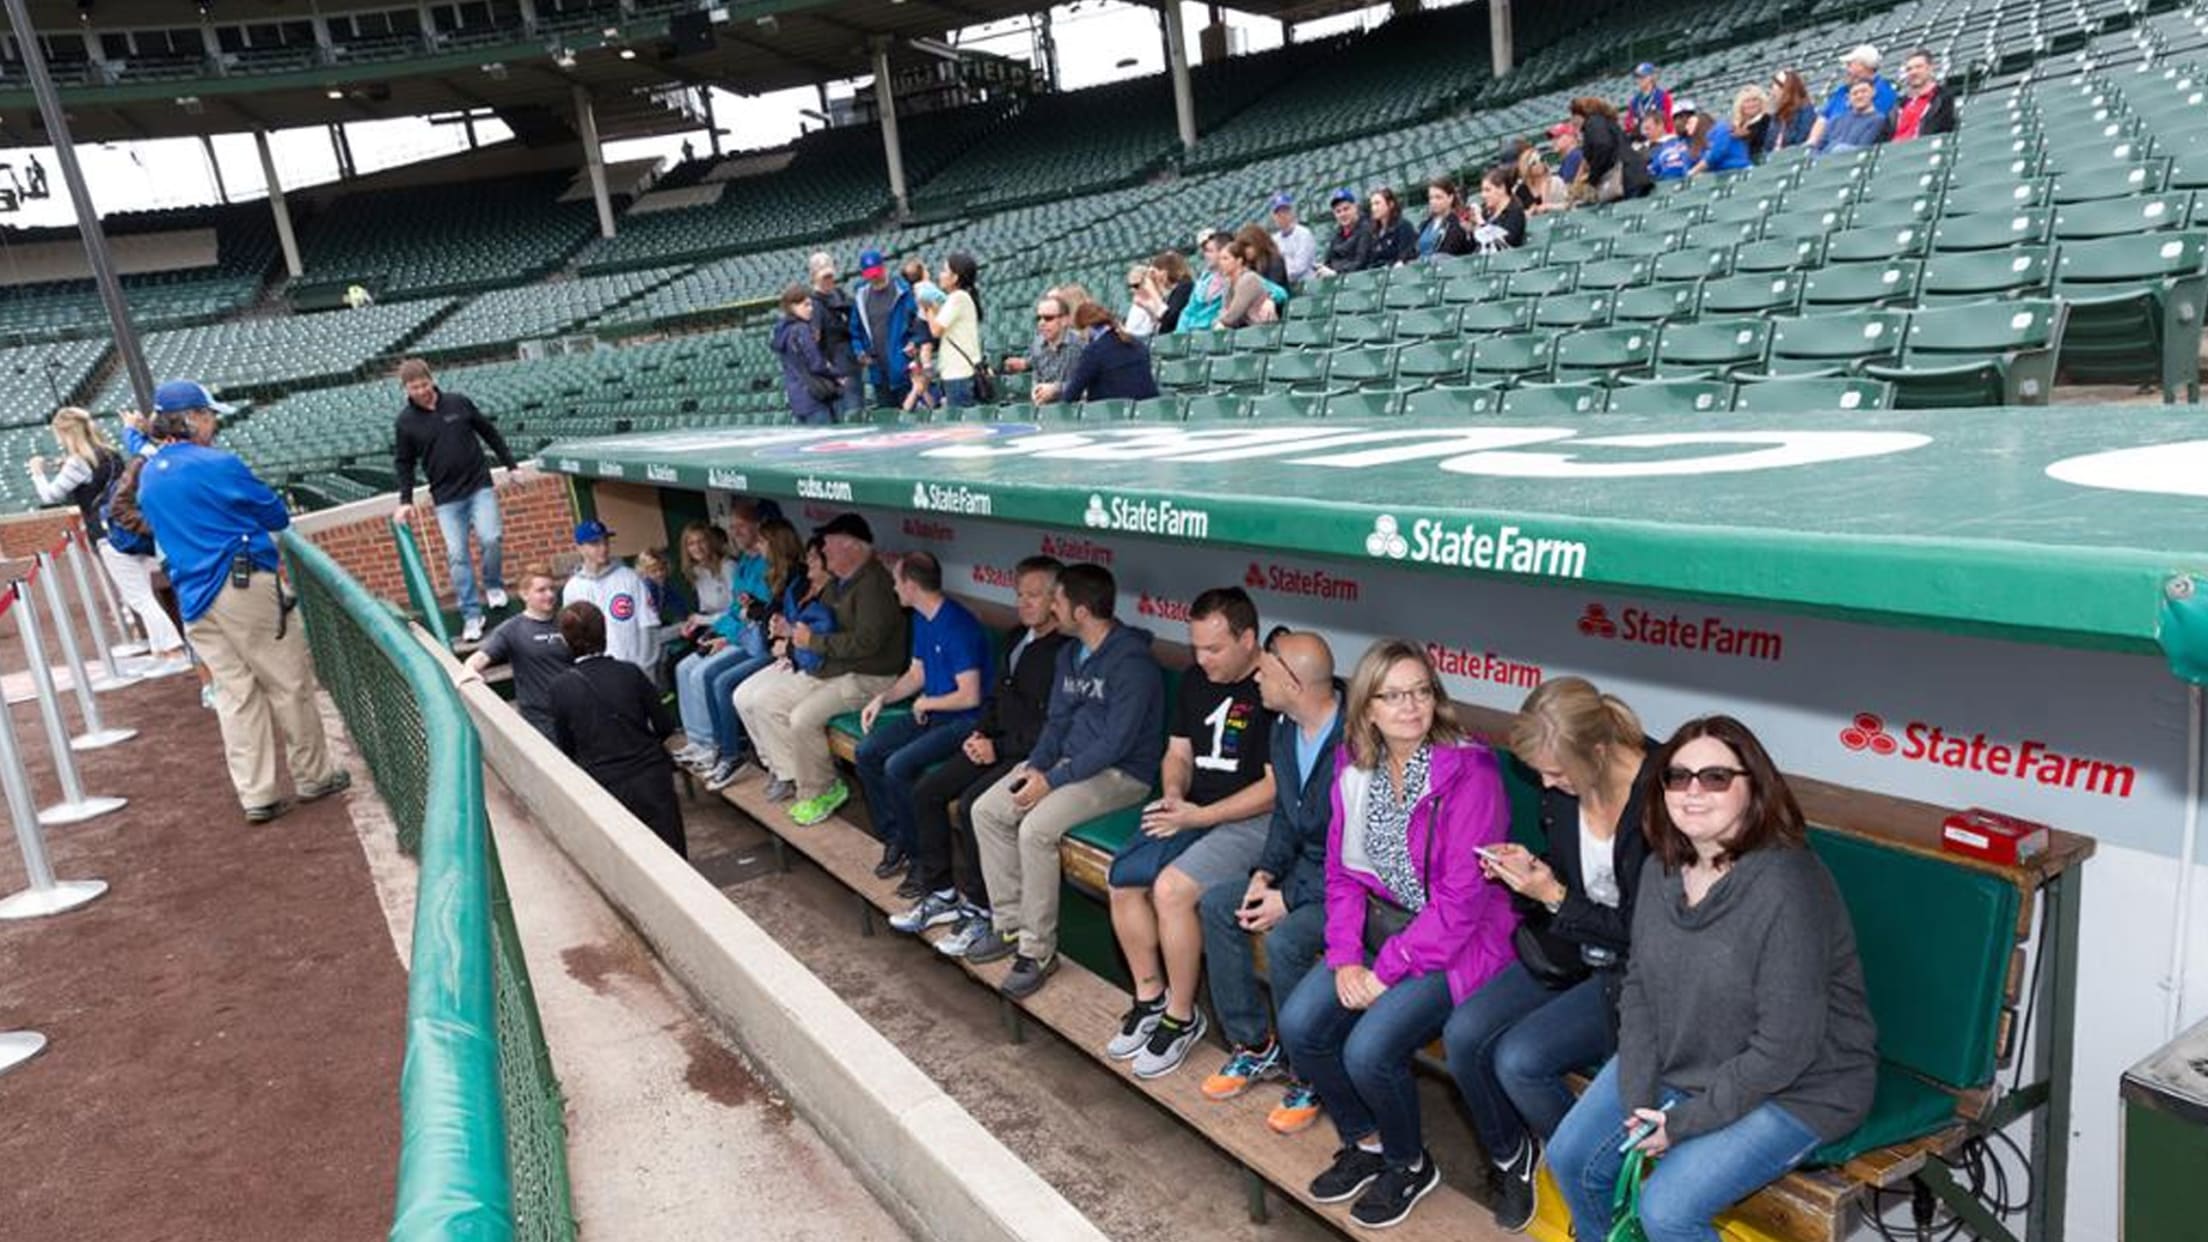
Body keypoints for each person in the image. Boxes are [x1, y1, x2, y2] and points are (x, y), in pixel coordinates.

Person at [1547, 716, 1878, 1242]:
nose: (1692, 791)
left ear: (1755, 787)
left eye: (1716, 777)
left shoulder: (1786, 884)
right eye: (1677, 777)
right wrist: (1638, 1100)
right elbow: (1639, 991)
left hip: (1801, 1085)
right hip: (1692, 1061)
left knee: (1668, 1211)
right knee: (1569, 1158)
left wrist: (1679, 1125)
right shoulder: (1662, 867)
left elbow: (1786, 1048)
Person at [1278, 638, 1516, 1230]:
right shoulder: (1355, 764)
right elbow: (1341, 874)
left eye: (1421, 691)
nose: (1410, 706)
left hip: (1454, 941)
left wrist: (1383, 972)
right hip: (1379, 928)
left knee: (1369, 1049)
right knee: (1302, 1027)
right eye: (1392, 695)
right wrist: (1342, 958)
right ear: (1367, 708)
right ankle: (1370, 1143)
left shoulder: (1471, 771)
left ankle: (1411, 1164)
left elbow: (1461, 905)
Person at [1444, 677, 1652, 1232]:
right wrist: (1531, 870)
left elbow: (1654, 934)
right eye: (1540, 772)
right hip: (1572, 950)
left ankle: (1591, 1178)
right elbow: (1574, 875)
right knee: (1465, 1033)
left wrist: (1554, 896)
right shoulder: (1563, 789)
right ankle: (1519, 1160)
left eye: (1557, 772)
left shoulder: (1664, 801)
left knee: (1519, 1060)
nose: (1548, 783)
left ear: (1601, 750)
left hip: (1638, 978)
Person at [133, 380, 350, 824]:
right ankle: (313, 776)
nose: (214, 422)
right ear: (190, 418)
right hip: (242, 583)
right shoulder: (217, 463)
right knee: (287, 681)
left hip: (193, 596)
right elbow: (276, 514)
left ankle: (257, 794)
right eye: (208, 415)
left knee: (234, 695)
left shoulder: (150, 472)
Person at [1103, 587, 1276, 1079]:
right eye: (1195, 646)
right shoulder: (1197, 680)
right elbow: (1178, 752)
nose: (1202, 659)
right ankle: (1150, 998)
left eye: (1214, 648)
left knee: (1172, 889)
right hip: (1194, 810)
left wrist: (1197, 818)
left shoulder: (1274, 685)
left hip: (1251, 821)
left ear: (1248, 639)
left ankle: (1183, 1016)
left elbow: (1274, 790)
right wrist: (1175, 794)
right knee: (1123, 877)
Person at [971, 564, 1163, 1000]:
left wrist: (1052, 780)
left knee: (1036, 829)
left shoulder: (1133, 663)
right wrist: (1037, 768)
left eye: (1056, 600)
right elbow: (1056, 723)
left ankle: (1037, 951)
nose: (1051, 606)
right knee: (988, 810)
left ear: (1081, 610)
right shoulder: (1068, 654)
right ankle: (1010, 925)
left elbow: (1116, 743)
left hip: (1122, 775)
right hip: (1066, 765)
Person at [1197, 627, 1343, 1135]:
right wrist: (1265, 872)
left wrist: (1289, 897)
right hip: (1300, 869)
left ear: (1296, 680)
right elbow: (1285, 812)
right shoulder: (1284, 727)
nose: (1257, 675)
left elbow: (1356, 854)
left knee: (1285, 941)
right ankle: (1256, 1045)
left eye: (1267, 668)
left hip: (1349, 888)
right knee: (1219, 905)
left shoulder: (1356, 741)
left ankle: (1310, 1073)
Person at [892, 556, 1070, 951]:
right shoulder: (1014, 638)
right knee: (927, 791)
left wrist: (998, 747)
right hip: (994, 743)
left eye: (1035, 595)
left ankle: (982, 908)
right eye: (1020, 594)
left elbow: (1051, 727)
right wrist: (979, 733)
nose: (1025, 603)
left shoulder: (1064, 652)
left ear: (1058, 599)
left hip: (1029, 755)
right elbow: (994, 699)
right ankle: (941, 894)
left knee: (975, 806)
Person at [733, 512, 907, 826]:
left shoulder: (873, 585)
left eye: (827, 545)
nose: (823, 552)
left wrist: (812, 641)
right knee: (768, 701)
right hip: (837, 669)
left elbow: (866, 644)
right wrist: (792, 632)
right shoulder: (842, 583)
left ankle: (823, 789)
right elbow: (820, 624)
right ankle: (795, 777)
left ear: (850, 546)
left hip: (870, 677)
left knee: (802, 717)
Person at [854, 551, 991, 878]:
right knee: (867, 752)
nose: (894, 588)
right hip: (934, 713)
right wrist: (882, 699)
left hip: (966, 721)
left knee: (897, 766)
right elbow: (917, 674)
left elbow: (969, 695)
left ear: (912, 585)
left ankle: (919, 859)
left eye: (897, 581)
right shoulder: (920, 616)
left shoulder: (957, 624)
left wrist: (927, 704)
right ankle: (895, 838)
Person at [27, 406, 188, 673]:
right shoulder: (110, 453)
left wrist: (37, 472)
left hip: (107, 534)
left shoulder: (78, 461)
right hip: (125, 528)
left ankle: (173, 650)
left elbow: (50, 495)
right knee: (139, 594)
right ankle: (162, 650)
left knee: (139, 598)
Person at [390, 357, 519, 645]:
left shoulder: (458, 403)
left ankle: (494, 585)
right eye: (414, 388)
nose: (421, 391)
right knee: (457, 554)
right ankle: (472, 615)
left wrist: (510, 465)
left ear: (431, 379)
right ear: (406, 389)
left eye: (424, 384)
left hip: (478, 486)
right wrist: (405, 500)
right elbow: (404, 463)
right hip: (446, 498)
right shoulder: (405, 422)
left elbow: (489, 432)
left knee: (491, 538)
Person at [546, 601, 687, 858]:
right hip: (650, 775)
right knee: (673, 855)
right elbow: (665, 725)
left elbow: (567, 746)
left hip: (605, 784)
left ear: (566, 640)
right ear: (604, 632)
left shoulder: (560, 688)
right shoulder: (630, 673)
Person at [694, 517, 805, 791]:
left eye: (764, 541)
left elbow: (778, 616)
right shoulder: (772, 571)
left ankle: (737, 756)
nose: (759, 545)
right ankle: (751, 758)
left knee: (725, 684)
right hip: (769, 645)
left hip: (781, 651)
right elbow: (763, 610)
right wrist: (749, 611)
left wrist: (755, 612)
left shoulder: (795, 575)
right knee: (714, 678)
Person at [462, 565, 573, 740]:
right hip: (541, 720)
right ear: (524, 594)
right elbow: (479, 658)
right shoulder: (511, 630)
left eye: (552, 588)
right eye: (541, 590)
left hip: (575, 712)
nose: (550, 595)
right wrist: (470, 669)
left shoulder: (567, 622)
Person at [560, 519, 658, 671]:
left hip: (633, 667)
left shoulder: (630, 578)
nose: (603, 547)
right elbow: (573, 637)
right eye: (595, 543)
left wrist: (646, 666)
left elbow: (648, 624)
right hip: (596, 673)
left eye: (605, 541)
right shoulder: (573, 588)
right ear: (579, 548)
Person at [850, 248, 917, 409]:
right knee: (887, 422)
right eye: (870, 274)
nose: (874, 277)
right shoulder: (861, 296)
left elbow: (917, 324)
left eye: (876, 272)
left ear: (884, 267)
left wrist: (914, 342)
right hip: (878, 371)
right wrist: (859, 351)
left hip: (903, 368)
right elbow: (855, 330)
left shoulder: (902, 291)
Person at [771, 283, 845, 426]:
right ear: (792, 307)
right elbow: (817, 364)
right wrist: (837, 375)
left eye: (811, 305)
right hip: (815, 397)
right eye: (806, 305)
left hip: (797, 398)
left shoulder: (781, 331)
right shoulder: (802, 329)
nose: (811, 309)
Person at [1059, 303, 1161, 403]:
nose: (1080, 336)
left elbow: (1071, 395)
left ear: (1087, 328)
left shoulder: (1094, 352)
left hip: (1111, 415)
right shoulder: (1137, 344)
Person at [1807, 44, 1898, 151]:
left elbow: (1870, 126)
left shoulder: (1884, 92)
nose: (1846, 69)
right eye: (1855, 93)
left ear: (1863, 66)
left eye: (1850, 64)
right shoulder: (1841, 91)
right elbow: (1823, 118)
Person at [1002, 293, 1084, 405]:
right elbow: (1036, 378)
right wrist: (1037, 391)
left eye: (1048, 318)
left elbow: (1086, 386)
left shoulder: (1080, 345)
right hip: (1045, 411)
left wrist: (1056, 389)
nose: (1041, 323)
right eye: (1038, 318)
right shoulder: (1037, 344)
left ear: (1065, 320)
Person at [928, 253, 985, 408]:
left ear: (955, 278)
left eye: (944, 271)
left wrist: (926, 307)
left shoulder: (958, 297)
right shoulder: (959, 298)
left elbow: (936, 330)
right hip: (957, 374)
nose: (940, 274)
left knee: (963, 427)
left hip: (958, 374)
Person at [811, 257, 865, 420]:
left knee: (857, 411)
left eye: (830, 276)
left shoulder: (840, 294)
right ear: (814, 275)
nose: (829, 280)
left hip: (850, 361)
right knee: (847, 413)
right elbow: (814, 339)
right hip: (834, 365)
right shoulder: (814, 303)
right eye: (824, 277)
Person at [1691, 87, 1769, 176]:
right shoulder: (1736, 125)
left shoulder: (1766, 119)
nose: (1751, 104)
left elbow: (1765, 138)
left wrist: (1748, 134)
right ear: (1741, 105)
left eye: (1755, 100)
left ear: (1761, 102)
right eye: (1747, 101)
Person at [1885, 47, 1956, 142]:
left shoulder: (1942, 99)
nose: (1913, 72)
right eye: (1909, 69)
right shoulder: (1898, 105)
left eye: (1918, 67)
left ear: (1930, 68)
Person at [1570, 98, 1632, 203]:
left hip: (1620, 176)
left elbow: (1603, 147)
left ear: (1581, 115)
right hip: (1628, 172)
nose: (1572, 121)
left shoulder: (1593, 123)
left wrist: (1592, 178)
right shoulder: (1605, 122)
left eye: (1574, 116)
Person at [1216, 240, 1281, 330]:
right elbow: (1224, 310)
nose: (1221, 263)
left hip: (1263, 331)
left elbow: (1233, 314)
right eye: (1220, 259)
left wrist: (1219, 322)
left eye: (1225, 259)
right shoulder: (1228, 282)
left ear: (1239, 261)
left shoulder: (1248, 279)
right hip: (1244, 330)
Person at [1175, 232, 1233, 334]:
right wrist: (1180, 335)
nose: (1205, 255)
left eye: (1210, 251)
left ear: (1223, 252)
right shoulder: (1203, 281)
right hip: (1190, 335)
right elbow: (1188, 311)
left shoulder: (1234, 280)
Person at [1316, 189, 1374, 278]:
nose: (1342, 214)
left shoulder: (1366, 229)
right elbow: (1328, 261)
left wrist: (1336, 272)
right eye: (1338, 211)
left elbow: (1361, 263)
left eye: (1346, 209)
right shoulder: (1336, 234)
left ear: (1355, 207)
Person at [1819, 81, 1888, 154]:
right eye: (1855, 94)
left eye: (1864, 92)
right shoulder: (1836, 119)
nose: (1859, 96)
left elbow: (1862, 147)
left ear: (1873, 92)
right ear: (1848, 98)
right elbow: (1819, 146)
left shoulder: (1878, 119)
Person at [1137, 250, 1196, 335]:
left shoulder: (1185, 287)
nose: (1154, 277)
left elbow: (1169, 319)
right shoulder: (1174, 291)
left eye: (1156, 272)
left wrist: (1152, 290)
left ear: (1164, 272)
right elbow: (1162, 318)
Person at [1417, 178, 1474, 260]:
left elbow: (1447, 253)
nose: (1433, 202)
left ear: (1450, 198)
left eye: (1438, 197)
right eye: (1431, 198)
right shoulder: (1424, 225)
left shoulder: (1456, 225)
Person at [1472, 170, 1528, 253]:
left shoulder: (1515, 213)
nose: (1483, 195)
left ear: (1502, 188)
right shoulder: (1486, 213)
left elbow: (1503, 244)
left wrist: (1481, 223)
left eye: (1487, 190)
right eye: (1482, 191)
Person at [1270, 193, 1318, 284]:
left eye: (1285, 211)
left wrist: (1281, 271)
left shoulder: (1304, 234)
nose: (1282, 216)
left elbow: (1299, 268)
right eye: (1278, 213)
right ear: (1274, 217)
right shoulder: (1274, 240)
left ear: (1292, 213)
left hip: (1307, 285)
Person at [1765, 69, 1816, 154]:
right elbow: (1768, 144)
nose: (1772, 92)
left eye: (1776, 87)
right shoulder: (1776, 116)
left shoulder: (1805, 111)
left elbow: (1801, 139)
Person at [1366, 188, 1418, 267]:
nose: (1373, 208)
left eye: (1377, 203)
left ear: (1390, 204)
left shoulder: (1403, 226)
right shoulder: (1373, 232)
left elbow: (1406, 255)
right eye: (1372, 204)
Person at [1234, 225, 1290, 291]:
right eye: (1242, 247)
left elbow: (1274, 290)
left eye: (1248, 246)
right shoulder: (1248, 264)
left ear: (1259, 243)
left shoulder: (1275, 261)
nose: (1245, 251)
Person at [1646, 111, 1696, 181]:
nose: (1646, 132)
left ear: (1660, 125)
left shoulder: (1673, 142)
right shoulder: (1642, 148)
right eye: (1644, 129)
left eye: (1648, 128)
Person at [1515, 151, 1569, 215]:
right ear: (1526, 168)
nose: (1539, 164)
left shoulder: (1556, 181)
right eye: (1534, 163)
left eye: (1540, 160)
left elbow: (1567, 205)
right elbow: (1519, 215)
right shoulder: (1521, 190)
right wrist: (1531, 211)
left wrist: (1548, 206)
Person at [1626, 62, 1673, 135]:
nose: (1639, 80)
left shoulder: (1663, 96)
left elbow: (1669, 119)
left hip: (1661, 136)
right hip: (1642, 139)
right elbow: (1628, 123)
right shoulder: (1634, 101)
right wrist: (1633, 124)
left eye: (1642, 76)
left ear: (1651, 77)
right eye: (1638, 77)